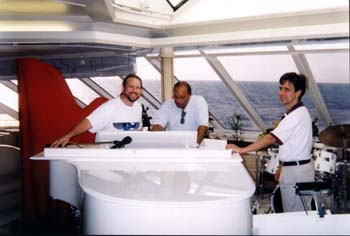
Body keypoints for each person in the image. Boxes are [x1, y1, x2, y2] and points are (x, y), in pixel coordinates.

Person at [226, 72, 314, 212]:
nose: (281, 93)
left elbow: (271, 138)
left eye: (287, 89)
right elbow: (291, 145)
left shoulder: (297, 115)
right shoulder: (293, 113)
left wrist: (242, 150)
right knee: (292, 213)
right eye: (280, 88)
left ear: (298, 93)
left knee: (296, 217)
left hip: (297, 173)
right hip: (292, 169)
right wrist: (281, 166)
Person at [51, 74, 143, 147]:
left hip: (128, 153)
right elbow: (89, 122)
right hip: (106, 154)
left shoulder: (138, 108)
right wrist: (68, 136)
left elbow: (136, 130)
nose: (134, 90)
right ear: (123, 88)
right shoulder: (110, 107)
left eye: (138, 88)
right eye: (131, 87)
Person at [151, 81, 209, 145]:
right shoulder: (168, 105)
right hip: (172, 146)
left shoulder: (198, 101)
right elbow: (158, 125)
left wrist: (194, 146)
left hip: (193, 145)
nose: (178, 101)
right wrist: (154, 141)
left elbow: (203, 126)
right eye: (175, 97)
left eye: (182, 97)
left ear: (190, 95)